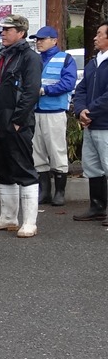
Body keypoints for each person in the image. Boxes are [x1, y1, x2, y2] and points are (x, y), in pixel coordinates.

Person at [0, 14, 42, 237]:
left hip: (16, 123)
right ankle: (8, 218)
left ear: (21, 33)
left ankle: (30, 222)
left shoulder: (30, 57)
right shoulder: (6, 55)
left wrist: (18, 121)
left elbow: (31, 92)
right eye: (2, 29)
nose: (2, 33)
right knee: (3, 170)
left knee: (24, 170)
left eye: (7, 29)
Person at [30, 26, 77, 206]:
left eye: (42, 39)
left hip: (54, 112)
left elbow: (68, 83)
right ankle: (44, 192)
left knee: (57, 151)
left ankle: (59, 192)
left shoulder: (66, 59)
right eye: (37, 39)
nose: (38, 42)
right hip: (35, 111)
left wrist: (45, 90)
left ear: (54, 40)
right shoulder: (34, 59)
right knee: (37, 152)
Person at [73, 21, 108, 225]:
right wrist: (80, 110)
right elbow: (81, 90)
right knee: (93, 167)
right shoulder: (93, 63)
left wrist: (90, 111)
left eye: (99, 34)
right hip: (90, 124)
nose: (95, 37)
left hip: (104, 125)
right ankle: (97, 207)